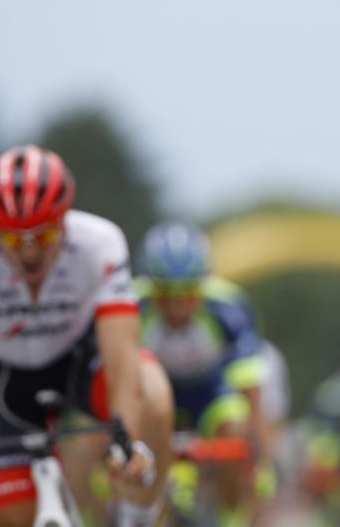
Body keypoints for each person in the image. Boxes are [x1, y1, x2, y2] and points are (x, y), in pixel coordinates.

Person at [0, 144, 173, 527]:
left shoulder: (100, 241)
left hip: (76, 360)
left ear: (64, 220)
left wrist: (127, 441)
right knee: (13, 518)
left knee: (153, 393)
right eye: (12, 239)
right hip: (2, 379)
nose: (28, 253)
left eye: (42, 238)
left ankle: (138, 516)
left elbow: (121, 354)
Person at [135, 221, 268, 527]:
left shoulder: (229, 308)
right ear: (150, 286)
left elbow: (250, 388)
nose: (178, 305)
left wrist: (258, 455)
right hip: (156, 395)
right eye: (166, 293)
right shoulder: (132, 306)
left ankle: (230, 514)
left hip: (209, 395)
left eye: (189, 293)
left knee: (235, 424)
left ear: (204, 285)